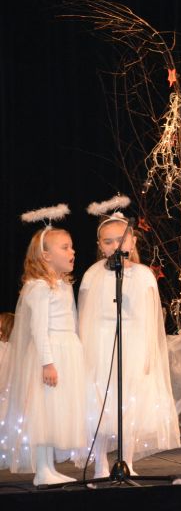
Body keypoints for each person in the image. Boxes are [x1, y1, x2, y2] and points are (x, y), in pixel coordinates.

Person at [76, 198, 181, 478]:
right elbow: (84, 317)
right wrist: (84, 354)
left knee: (130, 405)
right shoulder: (92, 275)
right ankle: (100, 462)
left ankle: (127, 460)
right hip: (100, 344)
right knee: (100, 403)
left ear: (132, 242)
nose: (115, 246)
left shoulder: (145, 276)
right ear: (100, 245)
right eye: (108, 241)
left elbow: (150, 320)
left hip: (134, 345)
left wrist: (149, 354)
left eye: (120, 240)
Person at [0, 205, 86, 485]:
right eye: (65, 247)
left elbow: (72, 320)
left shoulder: (64, 285)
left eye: (72, 246)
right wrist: (47, 362)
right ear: (45, 255)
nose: (72, 251)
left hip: (67, 350)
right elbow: (38, 329)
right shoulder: (39, 287)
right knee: (45, 412)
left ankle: (49, 467)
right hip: (50, 353)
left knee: (56, 412)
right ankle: (41, 470)